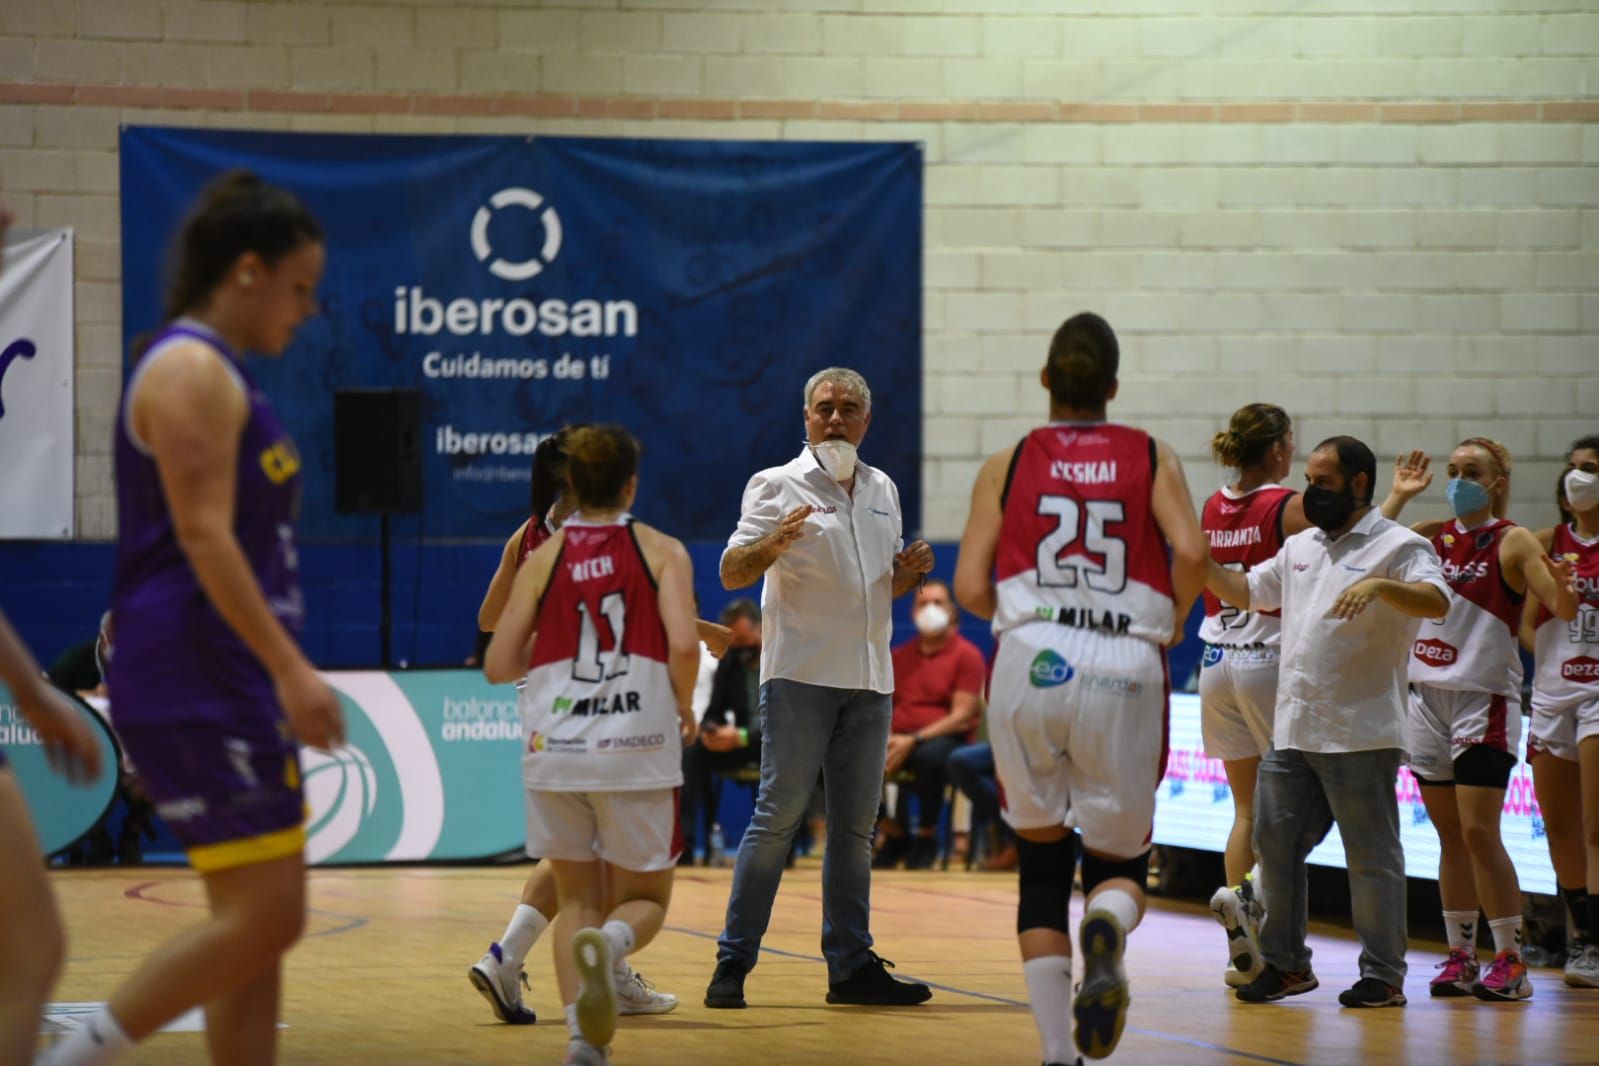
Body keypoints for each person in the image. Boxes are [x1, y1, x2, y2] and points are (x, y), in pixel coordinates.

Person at [45, 171, 346, 1066]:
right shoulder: (187, 369)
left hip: (222, 670)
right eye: (298, 288)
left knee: (252, 935)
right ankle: (73, 1053)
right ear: (246, 271)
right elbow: (205, 539)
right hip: (192, 669)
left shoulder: (218, 373)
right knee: (271, 915)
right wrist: (291, 668)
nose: (306, 309)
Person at [954, 312, 1209, 1064]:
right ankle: (1105, 925)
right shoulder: (1150, 452)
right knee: (1119, 863)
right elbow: (1190, 549)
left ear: (1045, 381)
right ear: (1112, 386)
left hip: (1029, 655)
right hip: (1121, 658)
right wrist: (1172, 619)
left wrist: (1023, 616)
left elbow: (969, 584)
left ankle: (1057, 1054)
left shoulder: (1007, 461)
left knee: (1038, 869)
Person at [704, 367, 935, 1011]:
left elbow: (875, 588)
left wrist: (906, 571)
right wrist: (773, 543)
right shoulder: (775, 484)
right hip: (800, 676)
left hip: (869, 680)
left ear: (868, 419)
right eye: (824, 408)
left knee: (856, 831)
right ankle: (733, 962)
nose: (836, 418)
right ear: (805, 418)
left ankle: (851, 966)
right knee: (776, 819)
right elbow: (730, 572)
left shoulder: (883, 488)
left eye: (849, 408)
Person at [1207, 434, 1450, 1011]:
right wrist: (1198, 562)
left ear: (1359, 484)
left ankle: (1384, 976)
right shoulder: (1300, 546)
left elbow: (1436, 600)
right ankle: (1288, 965)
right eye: (1310, 479)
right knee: (1276, 848)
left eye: (1323, 482)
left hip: (1361, 733)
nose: (1311, 491)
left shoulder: (1400, 544)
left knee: (1371, 861)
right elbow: (1244, 589)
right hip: (1292, 730)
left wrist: (1381, 586)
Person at [483, 424, 700, 1066]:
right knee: (647, 899)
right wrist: (683, 703)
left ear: (572, 482)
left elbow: (498, 661)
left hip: (557, 745)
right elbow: (684, 646)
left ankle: (584, 1041)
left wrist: (546, 655)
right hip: (635, 740)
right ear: (631, 484)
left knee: (576, 894)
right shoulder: (660, 549)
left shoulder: (540, 555)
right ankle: (609, 951)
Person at [1381, 439, 1577, 1001]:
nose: (1460, 479)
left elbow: (1558, 608)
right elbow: (1365, 548)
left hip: (1482, 699)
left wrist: (1561, 583)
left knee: (1478, 831)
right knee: (1449, 835)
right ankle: (1460, 956)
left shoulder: (1511, 538)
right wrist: (1397, 496)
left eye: (1473, 472)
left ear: (1497, 481)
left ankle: (1511, 960)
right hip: (1426, 697)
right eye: (1454, 470)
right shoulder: (1428, 530)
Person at [1198, 404, 1306, 987]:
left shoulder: (1214, 503)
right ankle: (1261, 915)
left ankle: (1245, 938)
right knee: (1292, 808)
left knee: (1244, 810)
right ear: (1279, 449)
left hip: (1216, 659)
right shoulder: (1286, 504)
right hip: (1267, 658)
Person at [1524, 434, 1599, 988]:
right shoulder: (1547, 543)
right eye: (1573, 468)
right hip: (1552, 693)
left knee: (1595, 827)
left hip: (1598, 693)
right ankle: (1580, 932)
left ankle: (1590, 943)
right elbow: (1527, 625)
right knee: (1560, 829)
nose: (1578, 477)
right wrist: (1549, 641)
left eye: (1591, 468)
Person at [875, 578, 985, 870]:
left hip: (944, 740)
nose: (930, 609)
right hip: (897, 738)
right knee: (841, 757)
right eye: (923, 603)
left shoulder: (967, 655)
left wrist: (915, 739)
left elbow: (962, 715)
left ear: (952, 611)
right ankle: (895, 833)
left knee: (929, 758)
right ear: (912, 612)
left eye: (938, 603)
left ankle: (926, 837)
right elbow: (884, 705)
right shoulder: (899, 656)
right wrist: (887, 737)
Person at [680, 598, 763, 864]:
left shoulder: (782, 662)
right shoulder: (730, 663)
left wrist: (742, 737)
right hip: (733, 743)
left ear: (761, 630)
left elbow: (789, 723)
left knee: (791, 752)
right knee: (692, 751)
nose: (739, 648)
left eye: (743, 640)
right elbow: (715, 709)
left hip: (771, 744)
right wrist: (710, 731)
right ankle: (685, 846)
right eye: (734, 643)